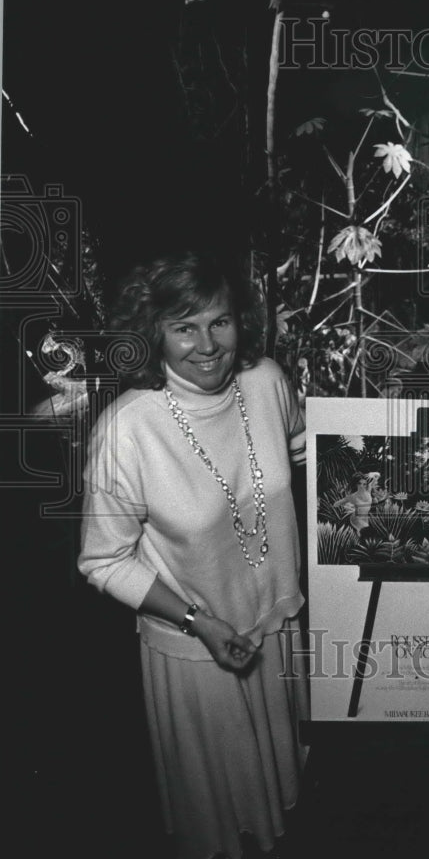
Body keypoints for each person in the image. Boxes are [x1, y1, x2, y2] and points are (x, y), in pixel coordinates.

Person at [79, 250, 308, 859]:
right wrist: (196, 622)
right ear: (153, 333)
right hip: (198, 649)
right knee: (223, 821)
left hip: (277, 627)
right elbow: (103, 561)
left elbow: (303, 451)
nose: (208, 345)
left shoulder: (265, 383)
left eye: (220, 321)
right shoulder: (126, 429)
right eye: (184, 327)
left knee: (286, 796)